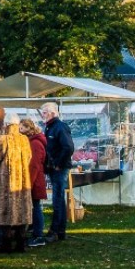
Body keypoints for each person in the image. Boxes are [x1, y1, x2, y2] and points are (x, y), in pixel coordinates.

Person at [0, 121, 33, 252]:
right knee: (21, 211)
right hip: (22, 180)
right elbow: (29, 157)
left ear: (6, 125)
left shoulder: (2, 139)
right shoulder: (24, 139)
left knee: (5, 211)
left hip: (5, 181)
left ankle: (6, 243)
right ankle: (20, 243)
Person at [41, 102, 74, 243]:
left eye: (44, 112)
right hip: (54, 167)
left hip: (59, 168)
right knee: (58, 198)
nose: (43, 115)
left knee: (58, 199)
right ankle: (60, 231)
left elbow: (68, 147)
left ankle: (55, 230)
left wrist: (59, 164)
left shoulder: (59, 127)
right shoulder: (50, 127)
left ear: (52, 113)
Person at [20, 117, 48, 247]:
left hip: (35, 180)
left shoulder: (35, 143)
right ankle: (35, 233)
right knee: (35, 207)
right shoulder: (32, 141)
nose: (19, 130)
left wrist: (29, 183)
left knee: (36, 207)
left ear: (28, 128)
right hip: (34, 179)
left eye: (21, 128)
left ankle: (39, 236)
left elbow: (35, 165)